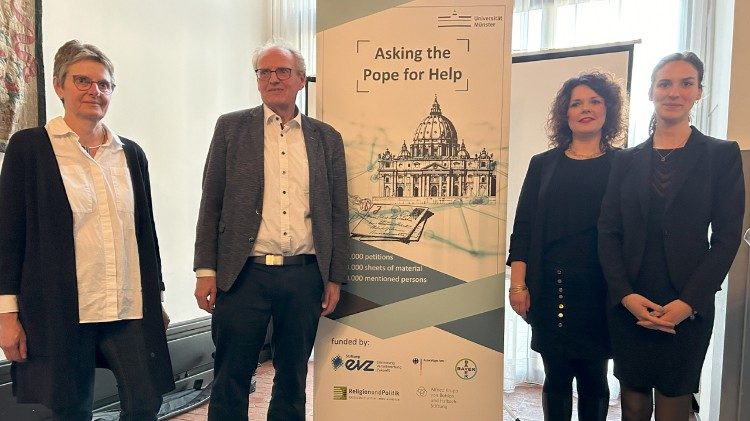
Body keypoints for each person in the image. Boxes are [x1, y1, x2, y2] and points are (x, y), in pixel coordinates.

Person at [0, 40, 174, 420]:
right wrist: (6, 313)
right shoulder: (29, 148)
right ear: (59, 86)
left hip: (127, 305)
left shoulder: (130, 154)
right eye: (82, 80)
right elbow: (9, 237)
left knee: (146, 403)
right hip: (61, 308)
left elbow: (145, 234)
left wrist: (155, 297)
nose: (94, 91)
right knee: (71, 408)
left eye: (104, 84)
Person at [193, 39, 349, 421]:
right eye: (264, 71)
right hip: (242, 274)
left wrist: (335, 277)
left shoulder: (326, 138)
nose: (272, 78)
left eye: (282, 71)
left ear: (300, 80)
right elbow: (211, 201)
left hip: (304, 274)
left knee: (293, 375)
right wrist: (205, 270)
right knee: (231, 374)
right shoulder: (231, 128)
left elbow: (338, 212)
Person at [598, 52, 744, 421]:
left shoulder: (720, 155)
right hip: (630, 299)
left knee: (673, 404)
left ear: (699, 93)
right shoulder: (625, 161)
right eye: (665, 83)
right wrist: (625, 295)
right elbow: (608, 232)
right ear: (651, 92)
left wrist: (689, 302)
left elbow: (727, 238)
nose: (674, 91)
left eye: (686, 83)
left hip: (688, 302)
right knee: (631, 403)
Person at [507, 71, 626, 420]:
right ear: (565, 113)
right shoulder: (543, 165)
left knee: (594, 377)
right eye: (576, 103)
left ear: (609, 109)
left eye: (594, 101)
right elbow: (523, 228)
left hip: (603, 289)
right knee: (556, 376)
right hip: (551, 287)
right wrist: (518, 284)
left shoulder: (625, 164)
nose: (585, 109)